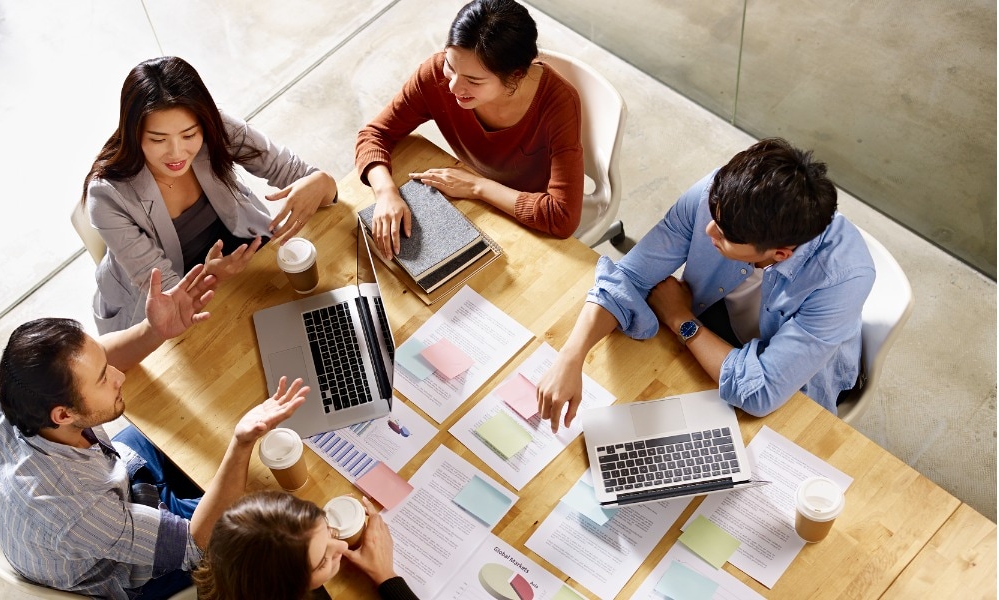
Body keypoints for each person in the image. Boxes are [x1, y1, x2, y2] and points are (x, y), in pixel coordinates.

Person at [0, 264, 311, 599]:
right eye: (104, 378)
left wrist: (154, 330)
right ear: (63, 414)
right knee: (270, 522)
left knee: (194, 437)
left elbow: (99, 360)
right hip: (120, 567)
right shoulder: (75, 512)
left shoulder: (4, 387)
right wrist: (242, 442)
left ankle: (184, 496)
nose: (119, 376)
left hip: (103, 487)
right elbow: (196, 543)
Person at [537, 138, 876, 431]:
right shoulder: (719, 196)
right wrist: (571, 356)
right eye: (713, 216)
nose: (708, 231)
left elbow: (760, 393)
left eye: (725, 236)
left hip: (794, 383)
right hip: (717, 324)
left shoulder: (841, 279)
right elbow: (629, 278)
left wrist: (680, 319)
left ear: (780, 253)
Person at [85, 55, 339, 334]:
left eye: (189, 135)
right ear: (133, 134)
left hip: (236, 256)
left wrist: (321, 181)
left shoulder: (214, 127)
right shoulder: (106, 195)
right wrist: (210, 276)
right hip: (165, 299)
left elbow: (295, 171)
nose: (176, 153)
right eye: (158, 139)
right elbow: (166, 293)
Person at [355, 0, 584, 259]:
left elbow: (562, 217)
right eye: (450, 67)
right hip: (467, 199)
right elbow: (374, 134)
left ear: (516, 76)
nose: (452, 86)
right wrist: (385, 192)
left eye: (473, 81)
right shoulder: (434, 75)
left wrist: (477, 187)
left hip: (521, 210)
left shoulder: (559, 103)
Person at [193, 492, 417, 600]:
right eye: (322, 562)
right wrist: (387, 577)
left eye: (327, 527)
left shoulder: (226, 564)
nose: (341, 546)